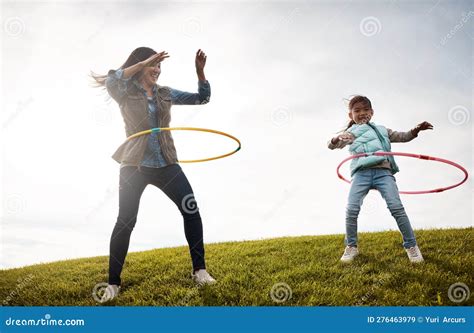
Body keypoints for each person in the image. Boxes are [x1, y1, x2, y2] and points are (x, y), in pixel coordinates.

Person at [92, 47, 216, 302]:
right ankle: (113, 283)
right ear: (142, 66)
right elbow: (113, 79)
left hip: (166, 163)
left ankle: (200, 271)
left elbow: (202, 99)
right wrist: (143, 63)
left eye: (160, 67)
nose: (158, 70)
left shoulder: (165, 93)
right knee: (125, 221)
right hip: (134, 165)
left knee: (190, 209)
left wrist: (200, 73)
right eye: (154, 66)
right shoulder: (124, 92)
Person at [328, 95, 433, 263]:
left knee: (396, 206)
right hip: (361, 173)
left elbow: (403, 136)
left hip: (383, 172)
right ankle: (351, 247)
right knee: (352, 208)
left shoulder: (382, 130)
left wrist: (415, 130)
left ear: (372, 112)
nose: (362, 113)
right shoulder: (350, 133)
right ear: (351, 115)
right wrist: (335, 139)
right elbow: (335, 144)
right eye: (357, 110)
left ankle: (411, 246)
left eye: (365, 110)